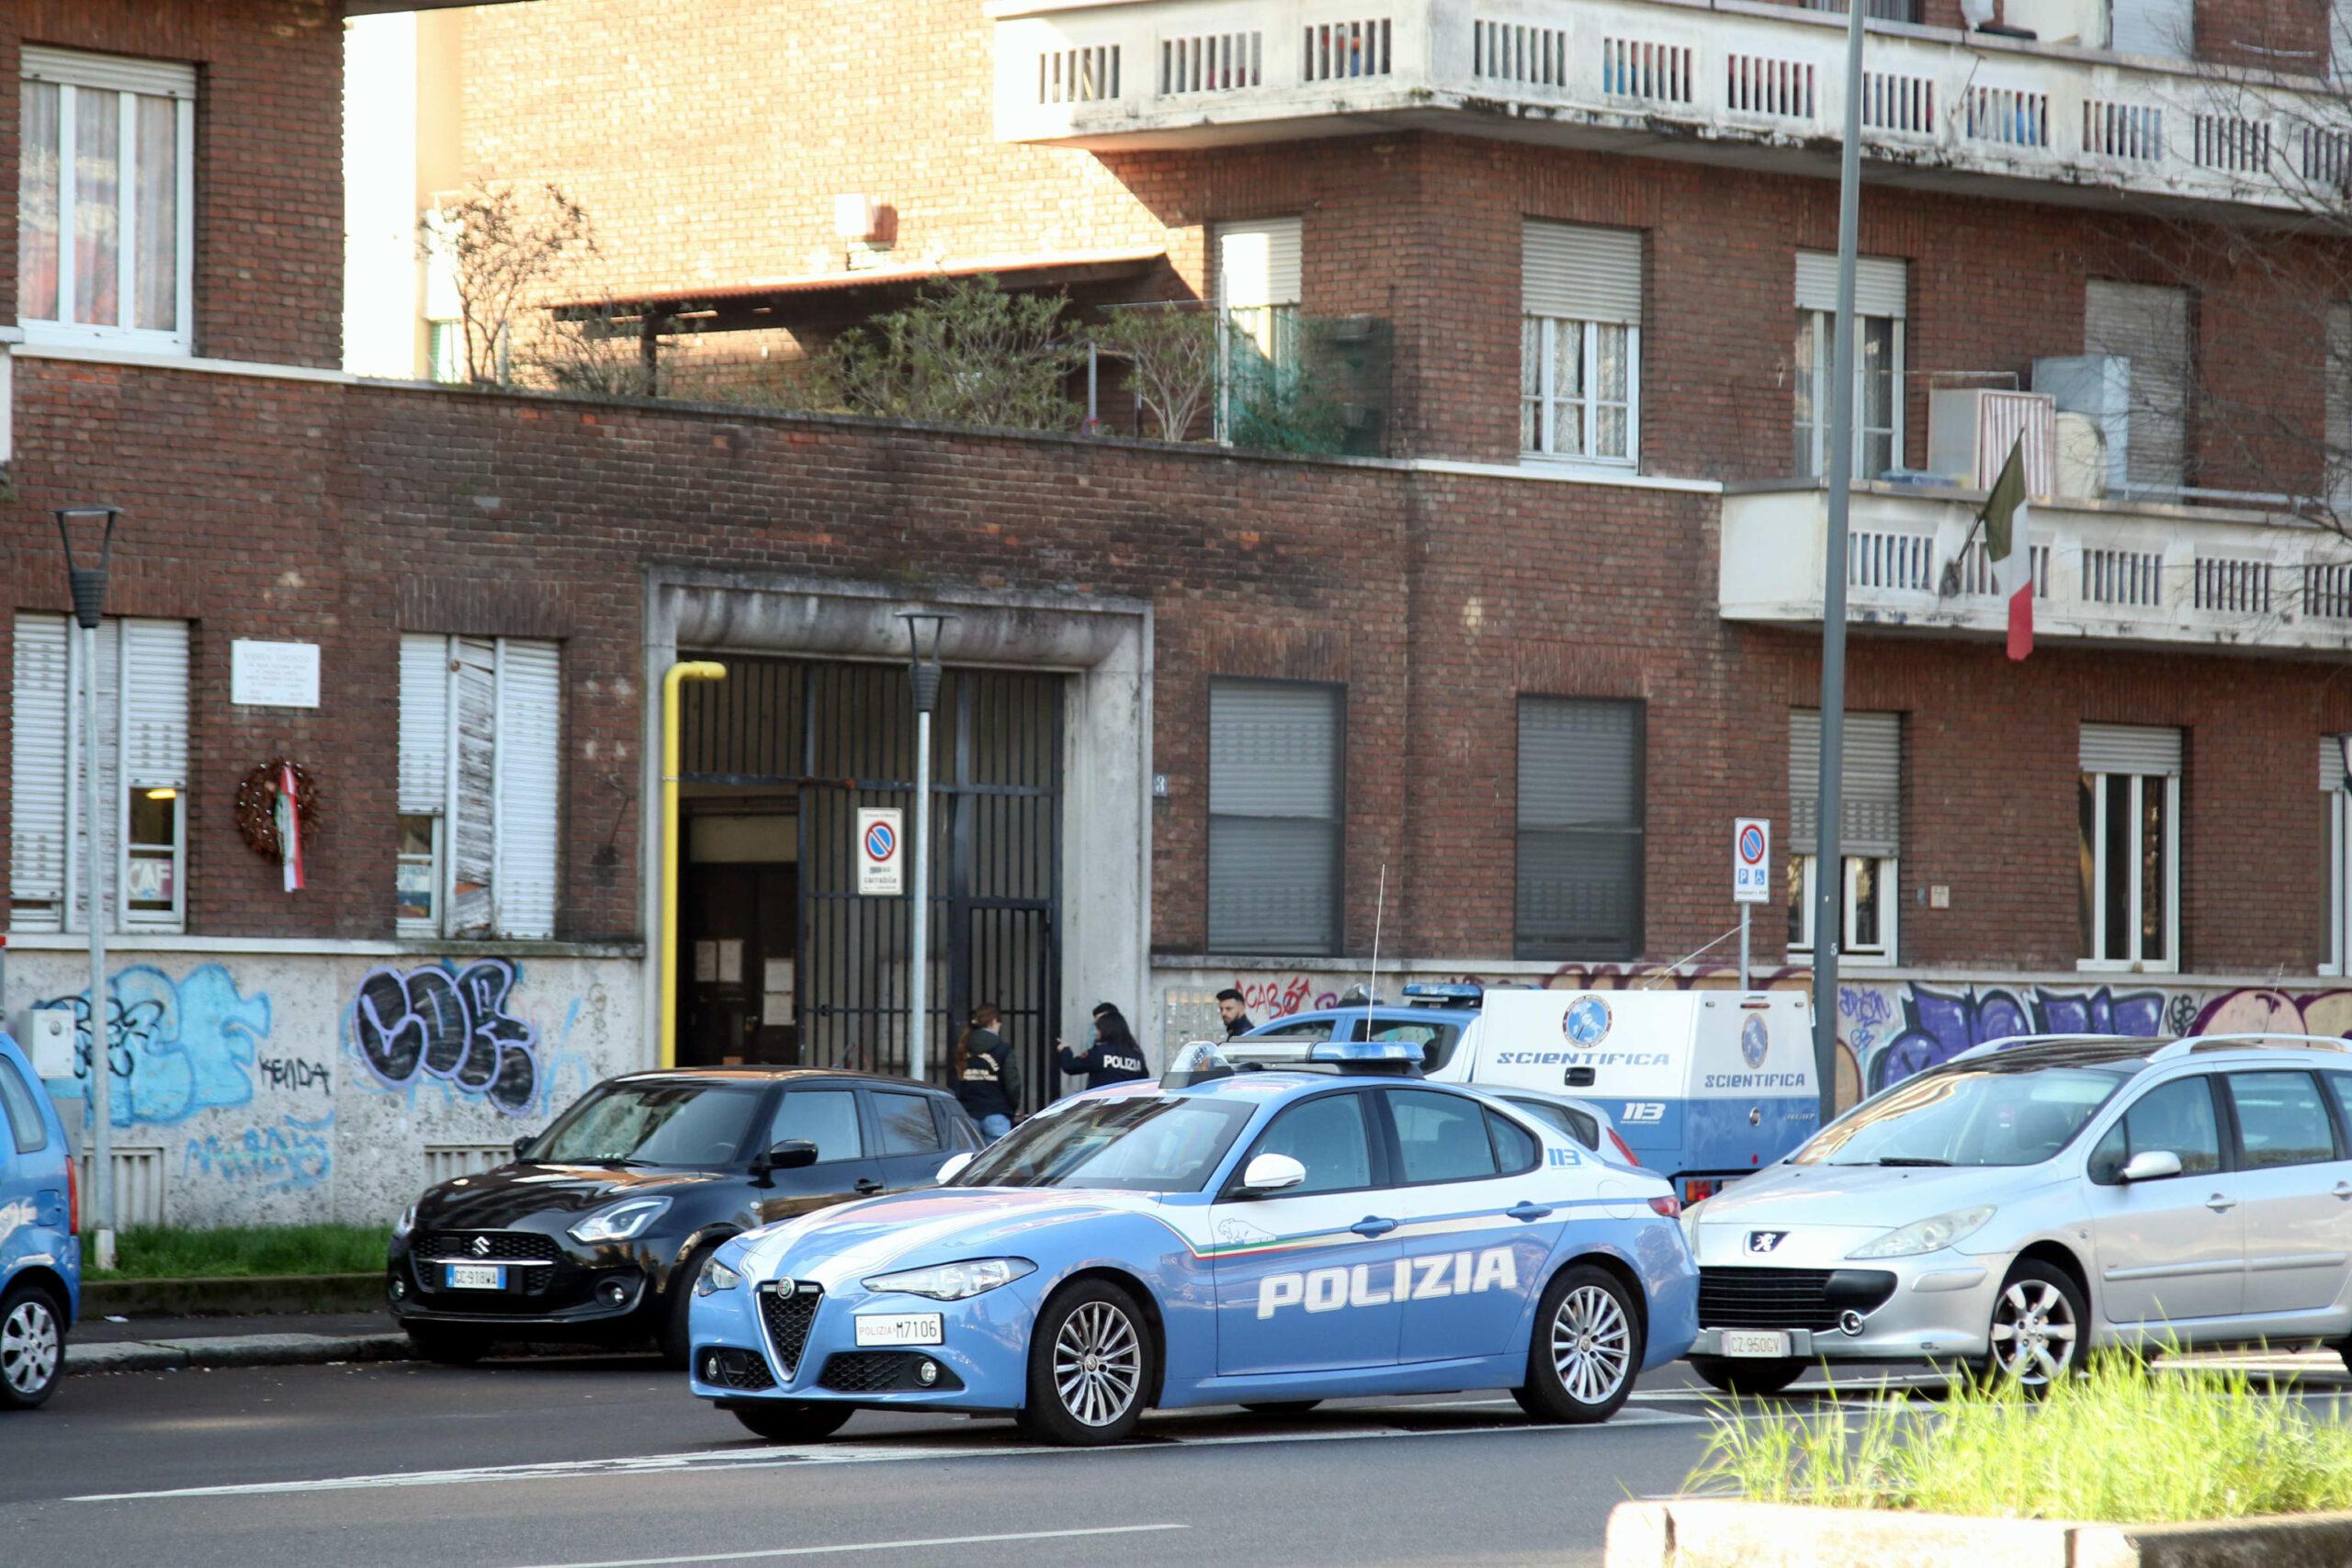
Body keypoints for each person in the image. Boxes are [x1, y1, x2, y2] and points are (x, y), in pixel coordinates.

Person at [954, 1004, 1021, 1143]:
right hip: (996, 1112)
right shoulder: (1003, 1048)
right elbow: (1012, 1084)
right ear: (995, 1021)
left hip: (968, 1114)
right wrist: (1010, 1108)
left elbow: (958, 1082)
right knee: (1000, 1161)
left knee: (970, 1160)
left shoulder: (963, 1047)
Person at [1057, 1002, 1149, 1090]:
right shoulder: (1137, 1055)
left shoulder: (1100, 1053)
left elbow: (1070, 1067)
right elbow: (1144, 1081)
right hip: (1127, 1105)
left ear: (1107, 1029)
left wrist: (1065, 1050)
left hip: (1101, 1105)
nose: (1096, 1032)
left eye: (1098, 1028)